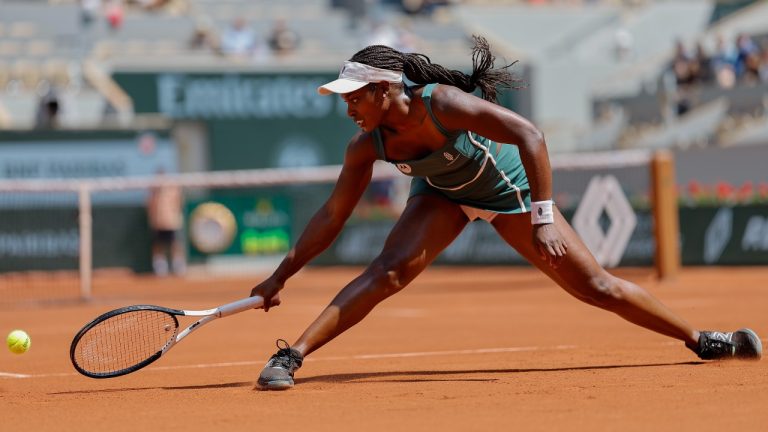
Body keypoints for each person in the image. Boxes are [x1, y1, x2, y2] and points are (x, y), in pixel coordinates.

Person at [250, 36, 762, 390]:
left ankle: (702, 340)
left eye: (355, 97)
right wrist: (279, 277)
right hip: (442, 195)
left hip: (510, 194)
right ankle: (291, 356)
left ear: (385, 90)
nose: (349, 109)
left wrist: (542, 215)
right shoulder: (367, 146)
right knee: (387, 271)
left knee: (596, 287)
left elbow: (530, 136)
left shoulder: (444, 104)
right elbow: (332, 217)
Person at [147, 169, 186, 276]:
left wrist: (175, 214)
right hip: (158, 222)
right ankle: (160, 266)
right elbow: (150, 205)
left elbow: (179, 202)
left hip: (171, 221)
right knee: (158, 244)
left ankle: (178, 265)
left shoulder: (172, 188)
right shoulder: (153, 190)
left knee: (175, 243)